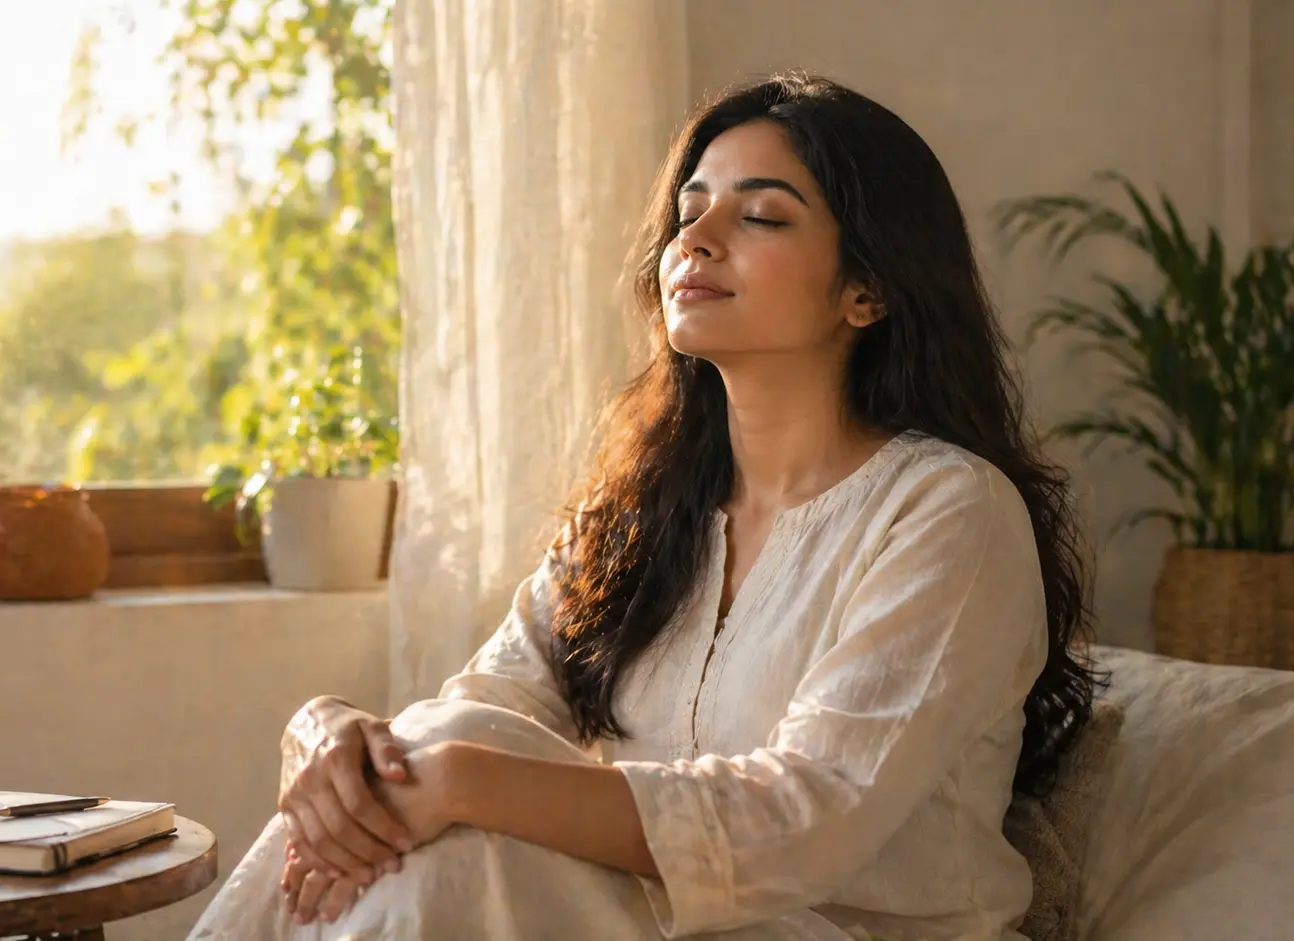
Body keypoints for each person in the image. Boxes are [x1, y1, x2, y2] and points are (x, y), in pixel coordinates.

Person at [189, 73, 1101, 941]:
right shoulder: (642, 507)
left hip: (844, 929)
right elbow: (490, 706)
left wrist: (459, 779)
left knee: (452, 835)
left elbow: (813, 813)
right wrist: (332, 729)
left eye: (761, 215)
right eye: (688, 210)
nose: (695, 241)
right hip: (648, 916)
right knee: (425, 790)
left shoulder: (947, 510)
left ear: (869, 290)